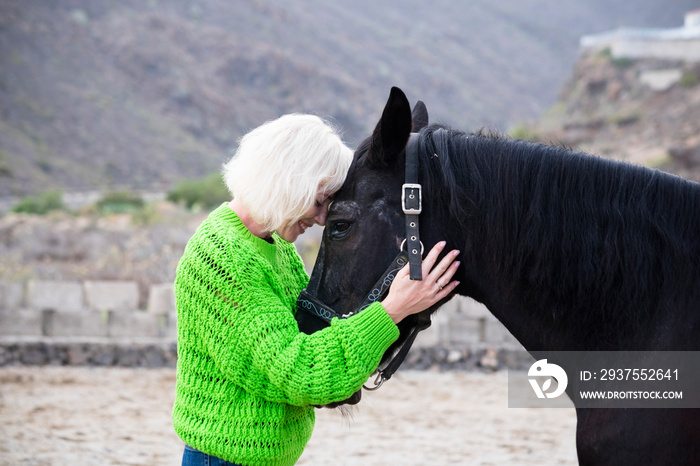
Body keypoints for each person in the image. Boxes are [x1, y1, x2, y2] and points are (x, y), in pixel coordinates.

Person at [172, 114, 460, 466]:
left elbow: (312, 334)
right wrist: (392, 310)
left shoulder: (272, 246)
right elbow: (301, 372)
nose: (322, 218)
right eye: (320, 201)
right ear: (289, 183)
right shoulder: (224, 256)